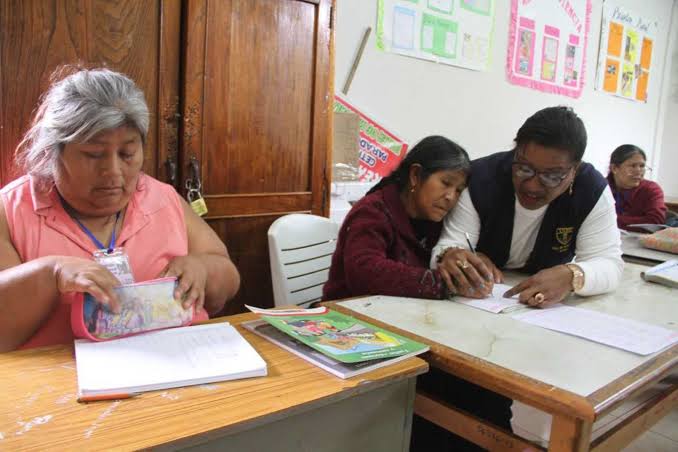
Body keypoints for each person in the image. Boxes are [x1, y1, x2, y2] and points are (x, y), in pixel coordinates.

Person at [0, 67, 240, 352]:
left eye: (127, 153)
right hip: (62, 375)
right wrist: (51, 274)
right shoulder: (11, 211)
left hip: (179, 361)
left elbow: (228, 277)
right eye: (93, 155)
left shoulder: (163, 199)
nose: (113, 171)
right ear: (53, 152)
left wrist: (202, 269)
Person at [434, 105, 623, 307]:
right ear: (515, 151)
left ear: (574, 170)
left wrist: (572, 275)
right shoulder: (481, 177)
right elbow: (450, 244)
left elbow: (610, 264)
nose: (533, 186)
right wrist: (453, 256)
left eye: (552, 176)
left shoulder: (590, 189)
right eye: (524, 168)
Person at [322, 135, 473, 302]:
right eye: (446, 183)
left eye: (458, 190)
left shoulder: (436, 219)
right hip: (347, 310)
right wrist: (443, 284)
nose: (451, 197)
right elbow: (364, 273)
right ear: (415, 175)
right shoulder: (372, 211)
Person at [607, 144, 667, 231]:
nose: (638, 171)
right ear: (614, 168)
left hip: (640, 238)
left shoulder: (651, 189)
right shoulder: (601, 188)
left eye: (642, 166)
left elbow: (655, 222)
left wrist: (610, 221)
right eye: (633, 166)